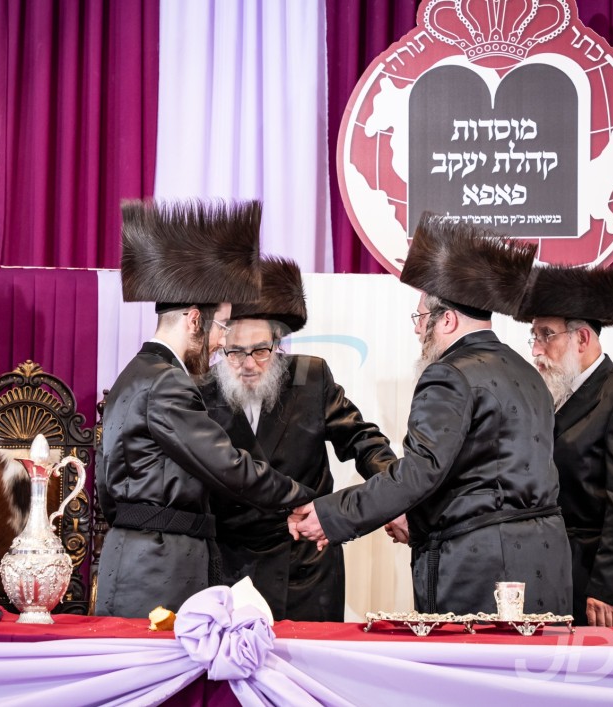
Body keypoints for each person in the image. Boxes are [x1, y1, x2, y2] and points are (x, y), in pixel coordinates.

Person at [289, 215, 572, 616]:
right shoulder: (527, 372)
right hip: (546, 563)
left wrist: (331, 515)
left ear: (447, 320)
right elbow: (484, 478)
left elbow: (421, 472)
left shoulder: (449, 374)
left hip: (482, 569)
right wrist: (417, 519)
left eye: (421, 318)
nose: (417, 330)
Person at [95, 199, 315, 618]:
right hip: (159, 566)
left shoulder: (135, 375)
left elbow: (108, 488)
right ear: (195, 319)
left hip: (139, 556)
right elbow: (228, 466)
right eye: (222, 327)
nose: (221, 342)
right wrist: (304, 499)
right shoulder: (167, 383)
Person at [199, 256, 397, 621]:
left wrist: (396, 496)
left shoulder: (310, 376)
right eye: (236, 352)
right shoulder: (201, 393)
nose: (249, 364)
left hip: (305, 566)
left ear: (278, 343)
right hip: (230, 568)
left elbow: (362, 440)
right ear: (220, 345)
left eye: (261, 350)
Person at [516, 264, 613, 627]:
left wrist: (607, 587)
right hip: (550, 574)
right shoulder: (548, 395)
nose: (536, 349)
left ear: (582, 339)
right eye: (534, 335)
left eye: (546, 335)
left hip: (597, 585)